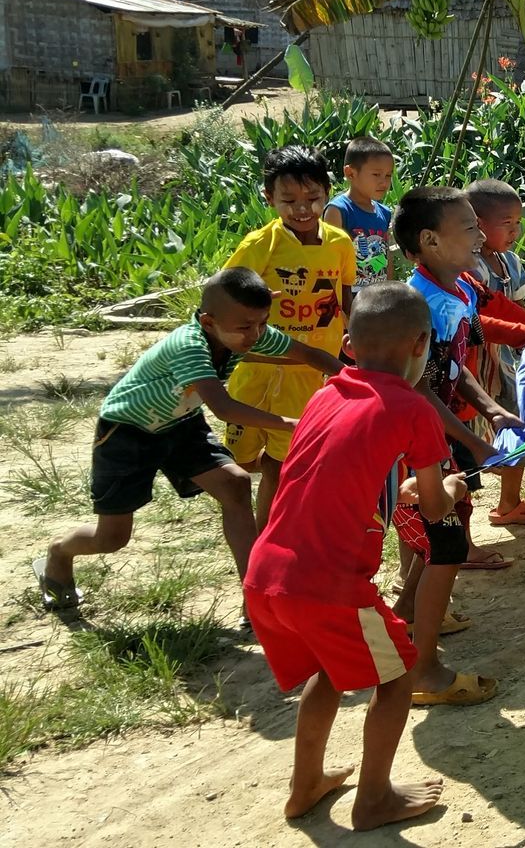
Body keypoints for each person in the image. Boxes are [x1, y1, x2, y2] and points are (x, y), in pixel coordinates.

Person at [242, 281, 452, 831]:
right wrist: (447, 491)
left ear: (350, 345)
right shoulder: (413, 408)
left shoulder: (327, 392)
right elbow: (434, 508)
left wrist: (398, 488)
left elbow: (341, 468)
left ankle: (304, 785)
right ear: (419, 344)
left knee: (330, 671)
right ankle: (374, 798)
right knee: (399, 673)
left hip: (267, 573)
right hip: (328, 584)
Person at [35, 269, 342, 611]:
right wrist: (291, 423)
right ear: (209, 322)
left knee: (236, 485)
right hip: (128, 431)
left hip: (180, 423)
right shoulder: (189, 345)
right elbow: (223, 408)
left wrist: (355, 381)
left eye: (261, 322)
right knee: (112, 538)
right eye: (246, 327)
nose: (256, 334)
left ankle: (256, 597)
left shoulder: (244, 332)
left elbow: (307, 354)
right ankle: (58, 552)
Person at [393, 186, 522, 707]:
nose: (479, 234)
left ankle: (409, 619)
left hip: (434, 435)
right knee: (443, 542)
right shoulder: (424, 303)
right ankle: (423, 671)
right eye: (468, 227)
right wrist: (473, 440)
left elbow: (451, 365)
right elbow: (419, 386)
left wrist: (488, 408)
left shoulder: (460, 288)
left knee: (440, 536)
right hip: (413, 437)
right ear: (430, 241)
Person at [225, 145, 359, 533]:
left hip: (310, 372)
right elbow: (225, 298)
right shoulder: (258, 246)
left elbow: (344, 294)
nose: (302, 208)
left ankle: (267, 536)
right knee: (242, 463)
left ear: (326, 193)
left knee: (283, 463)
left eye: (312, 198)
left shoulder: (339, 243)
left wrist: (355, 338)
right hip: (259, 371)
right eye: (289, 200)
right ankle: (253, 530)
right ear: (269, 198)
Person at [465, 179, 525, 528]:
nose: (516, 230)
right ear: (475, 223)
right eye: (507, 223)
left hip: (507, 362)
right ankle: (461, 509)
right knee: (470, 433)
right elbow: (475, 318)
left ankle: (509, 503)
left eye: (518, 222)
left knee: (519, 424)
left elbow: (517, 307)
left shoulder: (509, 263)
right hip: (473, 363)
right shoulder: (466, 266)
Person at [323, 136, 398, 289]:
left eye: (388, 175)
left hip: (378, 297)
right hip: (351, 300)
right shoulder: (338, 210)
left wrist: (390, 291)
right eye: (376, 174)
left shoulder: (384, 213)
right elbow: (330, 263)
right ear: (350, 173)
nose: (384, 182)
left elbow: (386, 257)